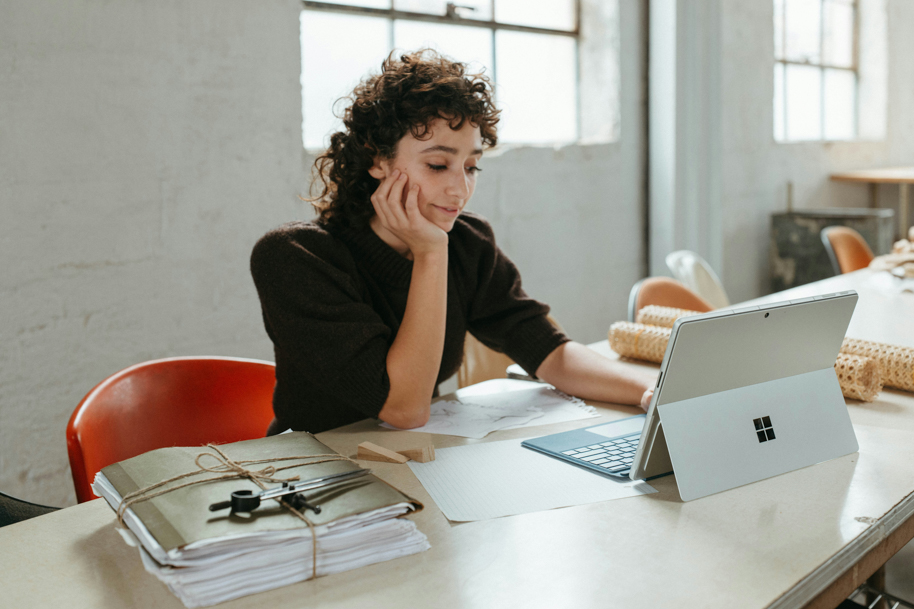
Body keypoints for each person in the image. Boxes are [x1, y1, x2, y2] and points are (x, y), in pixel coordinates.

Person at [251, 50, 656, 434]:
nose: (460, 189)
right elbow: (404, 408)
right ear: (377, 160)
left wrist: (651, 392)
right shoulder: (296, 258)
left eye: (471, 166)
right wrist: (429, 253)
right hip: (313, 472)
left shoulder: (466, 243)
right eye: (437, 165)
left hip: (411, 458)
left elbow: (548, 350)